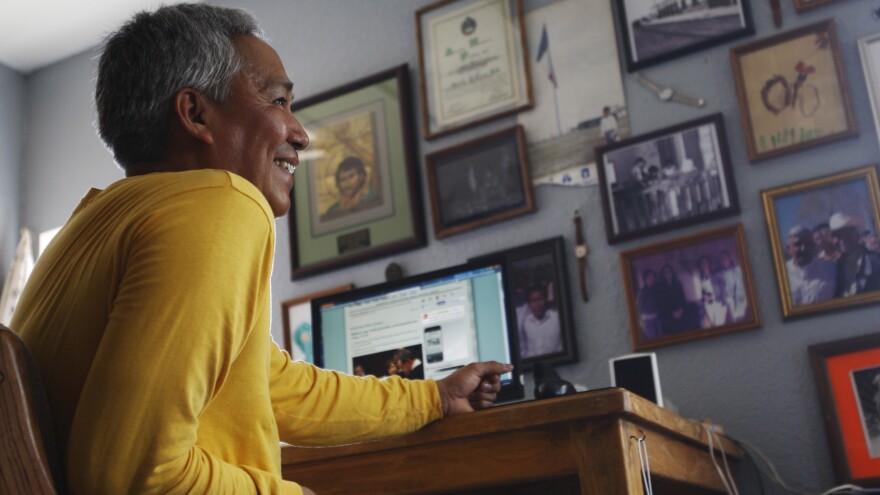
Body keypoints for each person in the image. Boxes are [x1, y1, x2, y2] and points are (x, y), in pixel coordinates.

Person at [9, 5, 512, 494]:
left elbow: (275, 388)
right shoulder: (219, 203)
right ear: (195, 114)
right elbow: (135, 476)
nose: (301, 134)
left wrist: (434, 397)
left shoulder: (93, 222)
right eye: (277, 102)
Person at [830, 212, 880, 297]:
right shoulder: (836, 267)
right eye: (838, 235)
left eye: (847, 233)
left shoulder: (876, 261)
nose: (843, 239)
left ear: (857, 235)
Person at [785, 225, 836, 306]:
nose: (803, 248)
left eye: (807, 243)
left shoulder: (831, 268)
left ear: (813, 245)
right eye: (798, 244)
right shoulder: (781, 274)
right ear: (788, 249)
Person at [518, 285, 562, 358]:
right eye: (533, 301)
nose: (537, 304)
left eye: (540, 299)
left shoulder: (556, 318)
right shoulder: (525, 323)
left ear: (546, 299)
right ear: (529, 304)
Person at [714, 250, 748, 321]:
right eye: (722, 259)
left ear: (729, 258)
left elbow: (741, 286)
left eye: (725, 258)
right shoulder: (719, 273)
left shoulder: (737, 269)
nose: (724, 260)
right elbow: (718, 289)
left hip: (739, 299)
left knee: (742, 319)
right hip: (728, 302)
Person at [656, 264, 690, 334]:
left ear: (672, 272)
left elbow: (683, 298)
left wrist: (681, 310)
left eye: (669, 271)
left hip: (681, 314)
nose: (667, 273)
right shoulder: (659, 287)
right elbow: (661, 303)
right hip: (668, 317)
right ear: (662, 274)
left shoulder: (678, 284)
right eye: (665, 272)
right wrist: (672, 313)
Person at [636, 269, 661, 340]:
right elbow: (639, 308)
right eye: (649, 277)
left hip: (657, 318)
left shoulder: (656, 289)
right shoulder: (641, 292)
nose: (651, 279)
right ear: (645, 279)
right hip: (647, 321)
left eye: (653, 277)